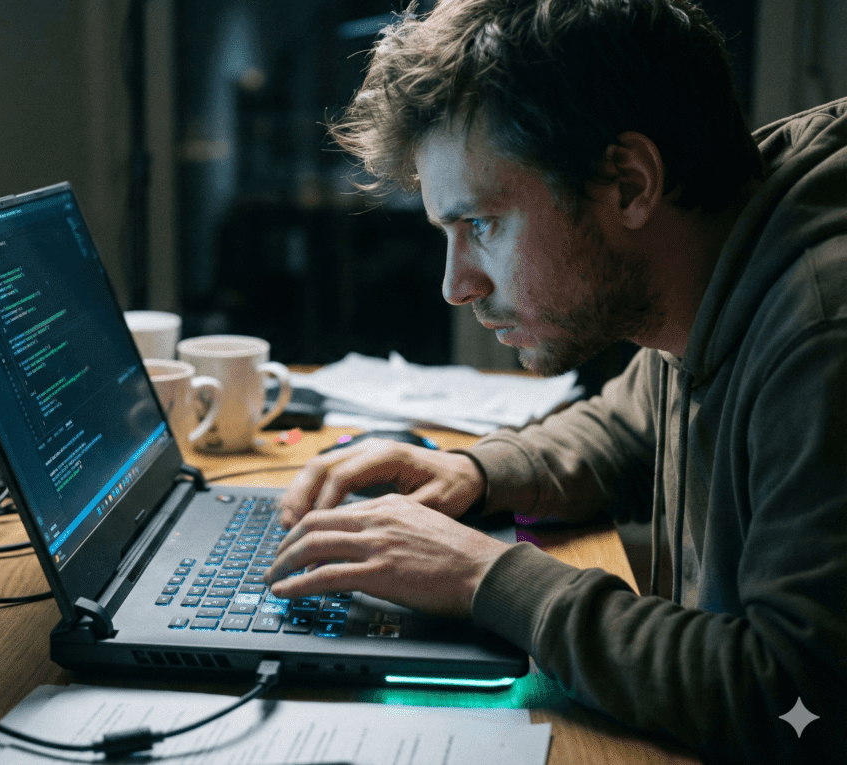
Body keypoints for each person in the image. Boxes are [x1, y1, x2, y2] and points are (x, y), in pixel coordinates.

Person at [262, 1, 846, 762]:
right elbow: (629, 424)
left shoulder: (820, 336)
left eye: (484, 226)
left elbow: (796, 701)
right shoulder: (723, 251)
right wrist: (473, 471)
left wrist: (488, 576)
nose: (457, 285)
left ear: (630, 183)